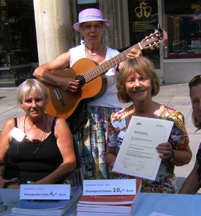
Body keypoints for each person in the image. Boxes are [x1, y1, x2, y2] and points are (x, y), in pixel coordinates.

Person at [33, 8, 141, 180]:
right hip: (78, 118)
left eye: (97, 26)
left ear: (103, 29)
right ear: (81, 31)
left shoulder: (115, 56)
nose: (92, 30)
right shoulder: (74, 54)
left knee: (111, 164)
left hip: (108, 116)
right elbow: (39, 71)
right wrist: (60, 82)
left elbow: (131, 75)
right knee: (83, 163)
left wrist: (134, 61)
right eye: (88, 26)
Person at [105, 57, 192, 193]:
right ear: (124, 86)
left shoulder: (172, 118)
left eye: (143, 78)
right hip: (126, 191)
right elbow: (109, 154)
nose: (137, 85)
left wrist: (172, 153)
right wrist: (115, 162)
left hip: (160, 192)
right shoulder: (116, 119)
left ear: (152, 82)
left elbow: (187, 156)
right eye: (131, 80)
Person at [0, 79, 76, 189]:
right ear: (21, 103)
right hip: (14, 185)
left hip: (48, 186)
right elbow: (1, 159)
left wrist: (39, 185)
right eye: (28, 101)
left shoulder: (58, 124)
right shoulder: (11, 125)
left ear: (47, 100)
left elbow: (70, 162)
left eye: (38, 100)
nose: (34, 105)